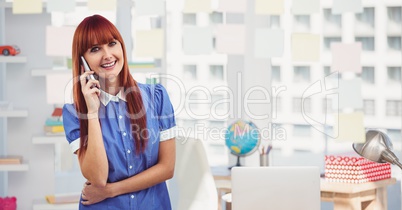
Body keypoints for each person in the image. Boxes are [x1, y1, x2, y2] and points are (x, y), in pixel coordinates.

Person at [62, 14, 176, 209]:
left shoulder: (156, 97)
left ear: (122, 46)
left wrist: (111, 191)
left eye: (112, 43)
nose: (107, 54)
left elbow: (167, 168)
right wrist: (92, 112)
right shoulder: (75, 112)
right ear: (83, 62)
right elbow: (97, 178)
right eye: (95, 49)